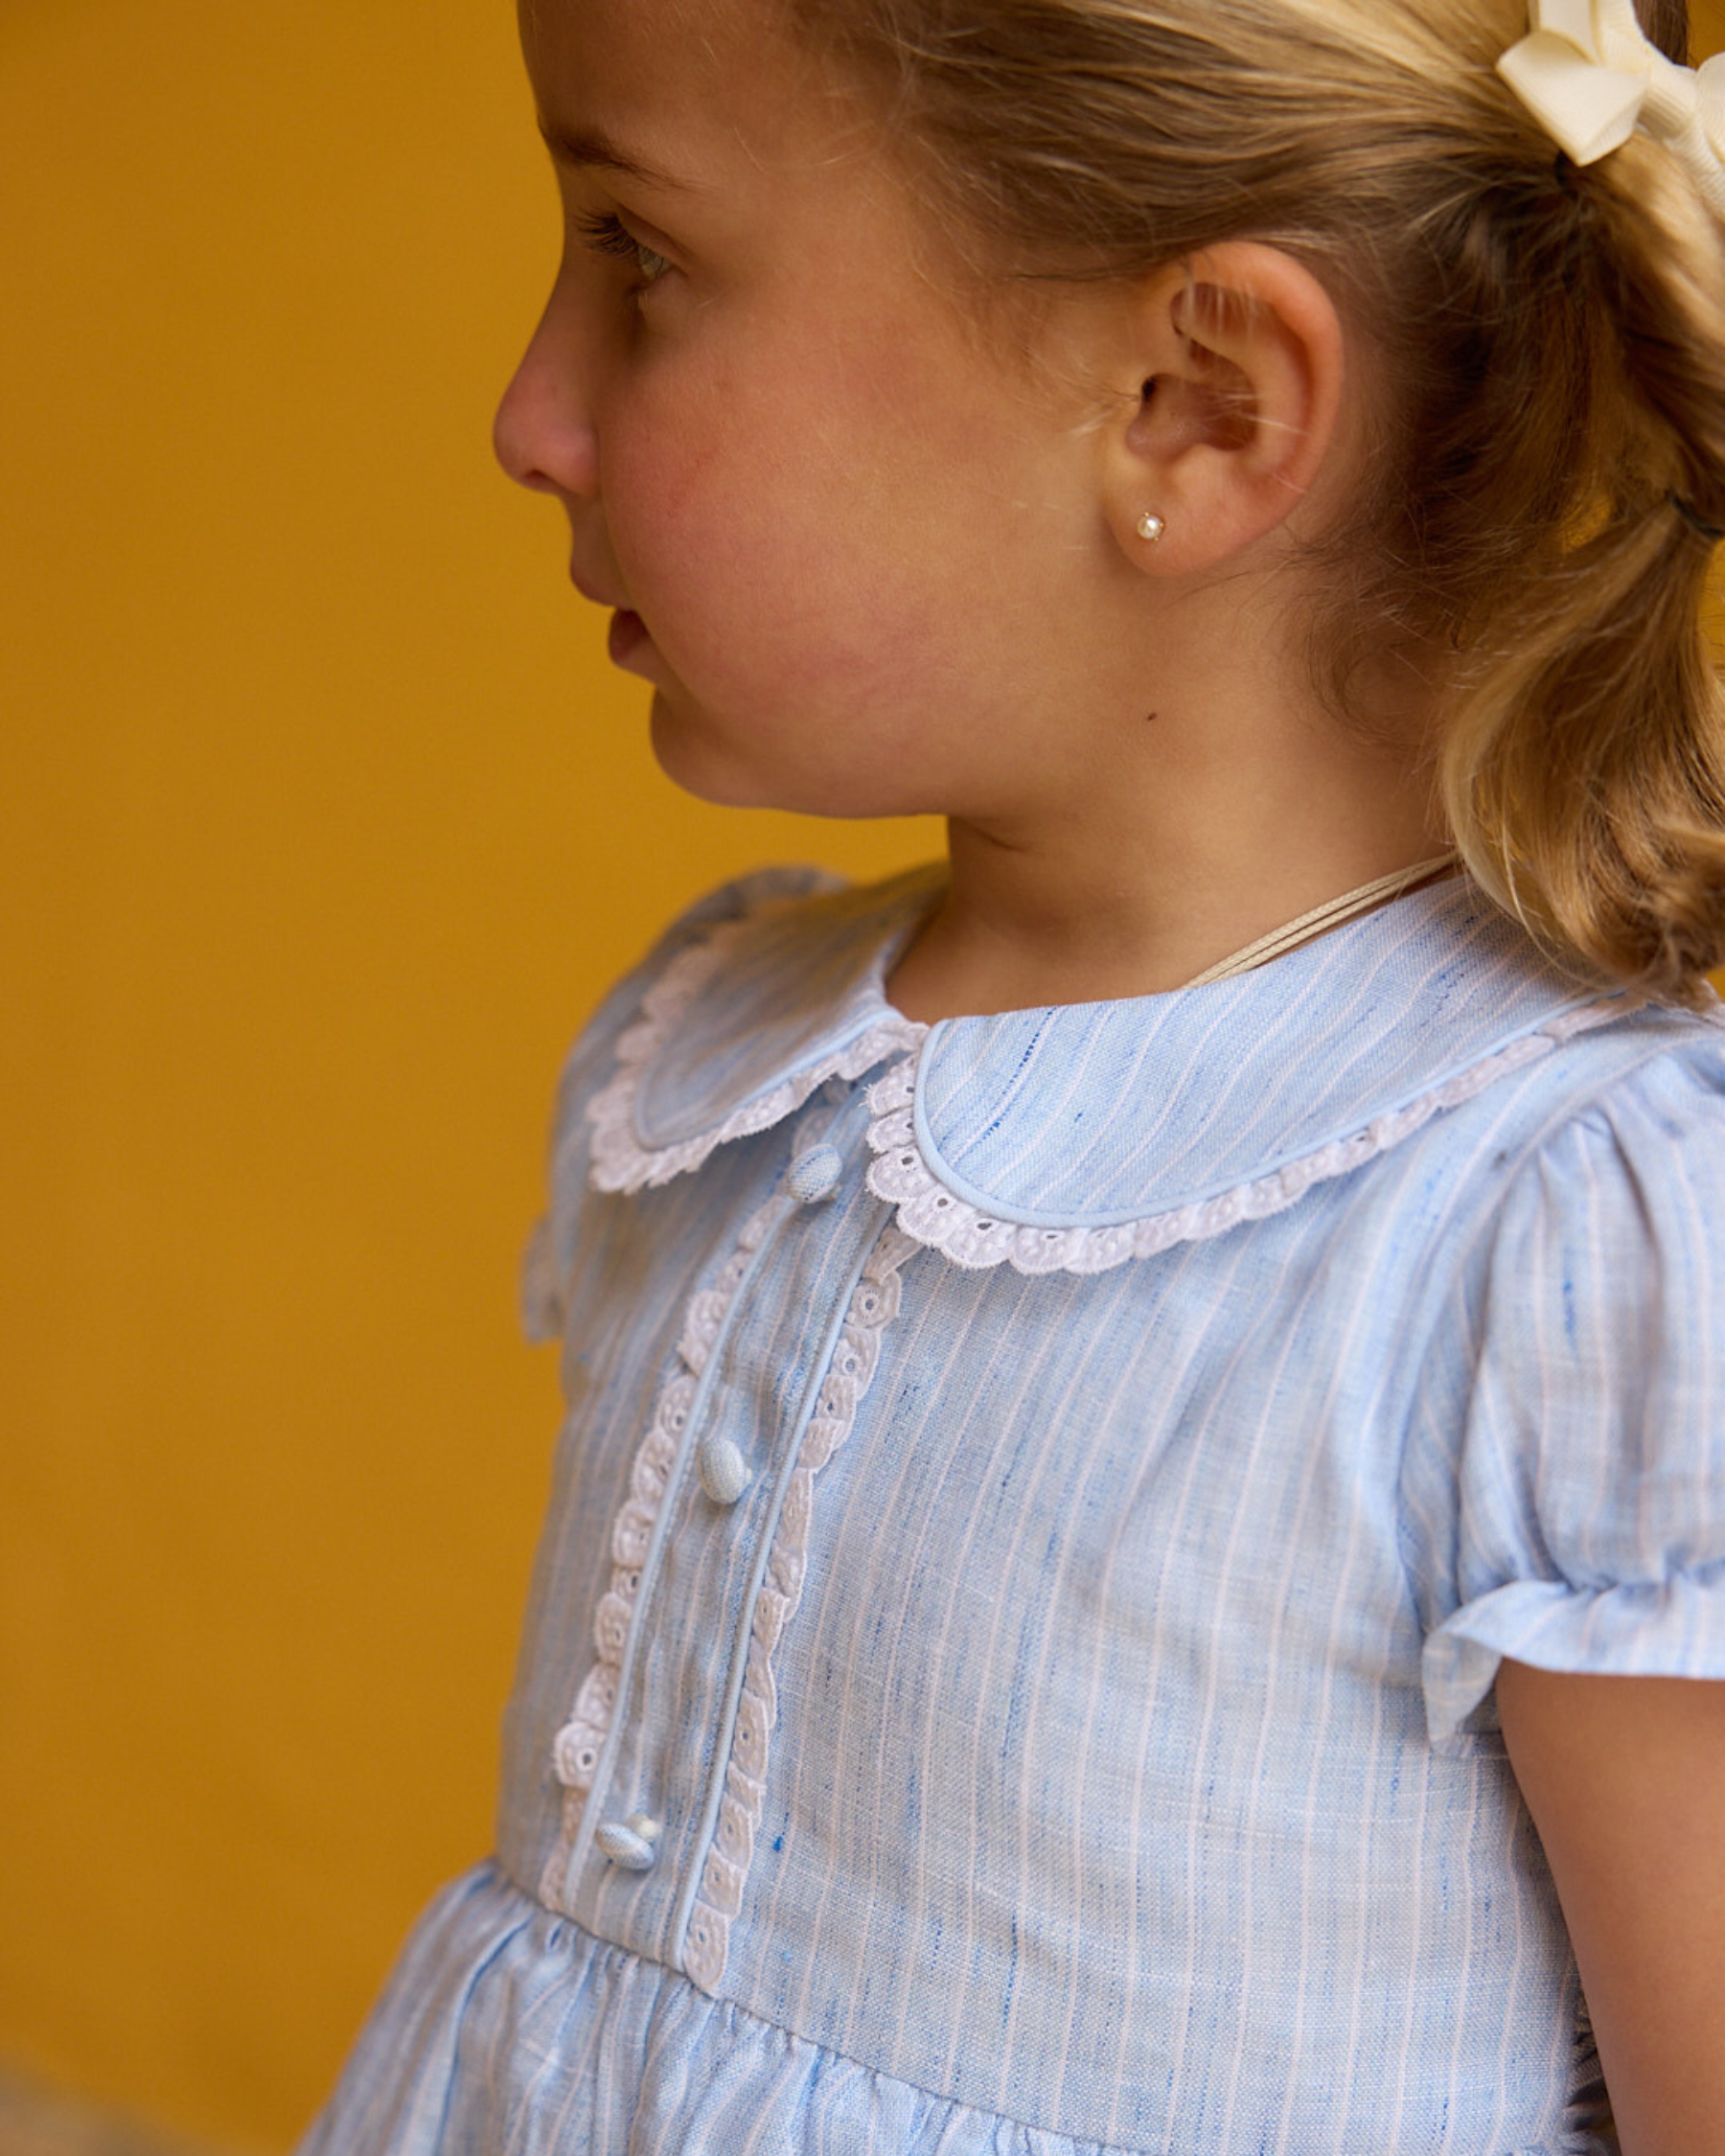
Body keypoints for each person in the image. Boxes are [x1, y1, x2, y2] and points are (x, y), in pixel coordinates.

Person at [298, 0, 1725, 2147]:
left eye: (642, 258)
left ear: (1194, 406)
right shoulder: (739, 1057)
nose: (527, 414)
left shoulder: (1556, 1223)